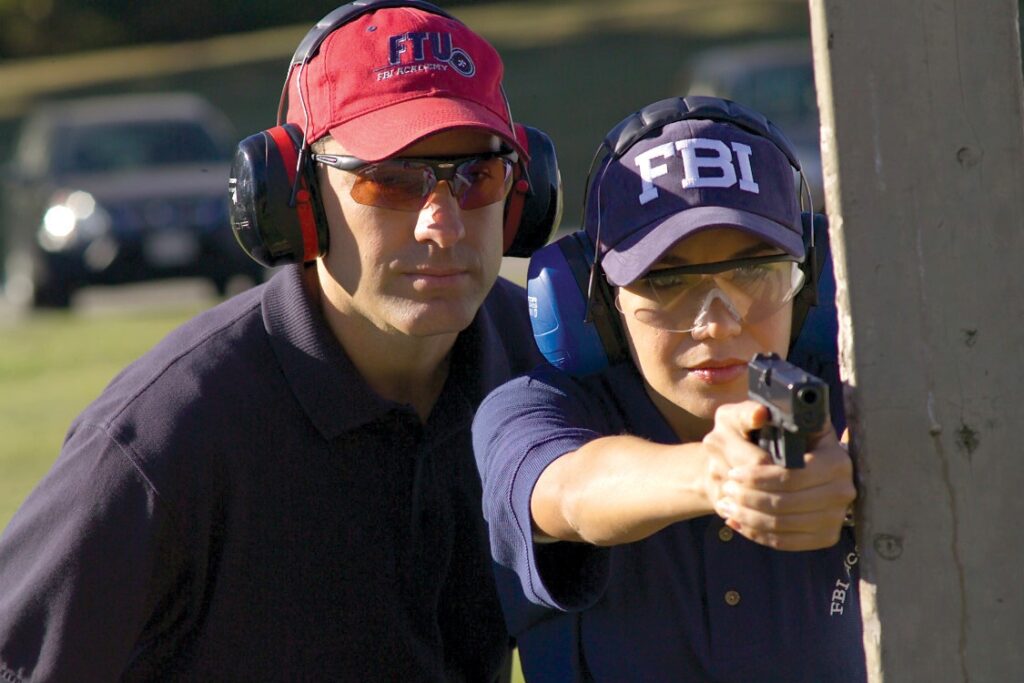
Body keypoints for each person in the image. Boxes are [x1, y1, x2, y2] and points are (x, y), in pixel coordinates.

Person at [0, 2, 560, 680]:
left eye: (479, 174)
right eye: (391, 178)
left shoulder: (544, 363)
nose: (441, 223)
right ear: (294, 198)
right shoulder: (166, 438)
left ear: (524, 196)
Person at [473, 97, 866, 682]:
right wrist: (719, 475)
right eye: (666, 281)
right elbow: (570, 493)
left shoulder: (859, 395)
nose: (718, 322)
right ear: (603, 304)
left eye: (755, 271)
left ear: (808, 284)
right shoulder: (535, 408)